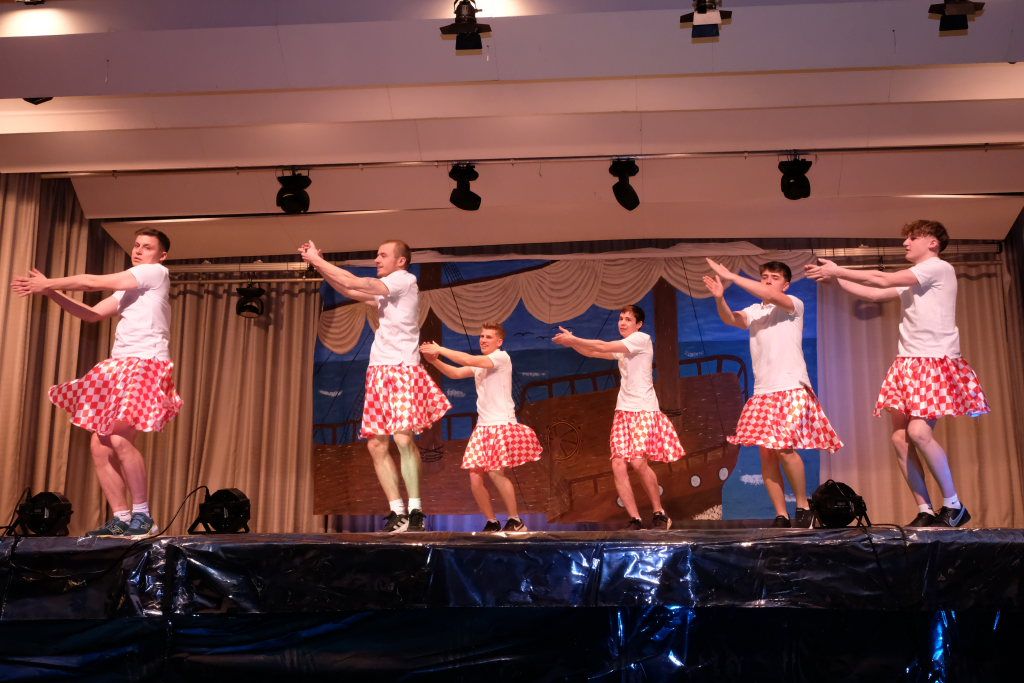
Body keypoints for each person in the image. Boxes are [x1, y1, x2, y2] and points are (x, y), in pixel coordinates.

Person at [805, 220, 989, 528]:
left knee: (918, 432)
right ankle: (925, 509)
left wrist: (838, 270)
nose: (906, 243)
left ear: (932, 243)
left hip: (933, 362)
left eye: (913, 237)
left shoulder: (938, 268)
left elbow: (881, 278)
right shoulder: (917, 279)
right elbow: (876, 294)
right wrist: (836, 280)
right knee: (900, 438)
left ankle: (954, 505)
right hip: (908, 364)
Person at [11, 228, 182, 538]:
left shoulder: (155, 273)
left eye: (147, 247)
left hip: (146, 362)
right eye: (136, 245)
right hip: (120, 365)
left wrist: (50, 283)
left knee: (118, 437)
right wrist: (51, 293)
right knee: (99, 445)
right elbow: (91, 314)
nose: (138, 251)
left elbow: (92, 281)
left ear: (162, 255)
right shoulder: (128, 291)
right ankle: (121, 517)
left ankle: (143, 516)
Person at [300, 239, 450, 532]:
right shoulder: (387, 293)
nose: (377, 260)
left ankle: (416, 510)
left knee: (403, 439)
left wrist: (318, 260)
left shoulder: (404, 281)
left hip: (402, 368)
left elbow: (356, 282)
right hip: (379, 371)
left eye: (383, 255)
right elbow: (348, 289)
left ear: (401, 261)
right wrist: (318, 264)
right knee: (376, 444)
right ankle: (397, 512)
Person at [704, 258, 843, 528]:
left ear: (786, 284)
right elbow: (732, 319)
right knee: (767, 453)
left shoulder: (793, 305)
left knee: (783, 447)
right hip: (764, 391)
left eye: (774, 277)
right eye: (765, 276)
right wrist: (720, 298)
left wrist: (732, 276)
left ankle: (803, 506)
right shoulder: (755, 310)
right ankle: (781, 513)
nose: (768, 280)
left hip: (790, 386)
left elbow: (770, 294)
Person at [553, 305, 684, 530]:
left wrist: (574, 338)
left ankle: (659, 513)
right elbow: (594, 352)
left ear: (639, 324)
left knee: (638, 462)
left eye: (628, 319)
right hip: (623, 411)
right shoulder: (624, 347)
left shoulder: (641, 339)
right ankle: (634, 518)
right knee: (618, 464)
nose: (622, 322)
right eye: (621, 318)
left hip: (643, 410)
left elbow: (602, 345)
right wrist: (572, 343)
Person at [420, 323, 542, 532]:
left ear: (499, 342)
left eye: (488, 337)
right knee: (475, 478)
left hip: (500, 424)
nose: (483, 340)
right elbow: (455, 373)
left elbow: (469, 360)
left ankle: (515, 520)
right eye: (482, 336)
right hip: (483, 428)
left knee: (495, 472)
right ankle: (492, 521)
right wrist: (434, 361)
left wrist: (440, 349)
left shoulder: (501, 358)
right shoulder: (482, 364)